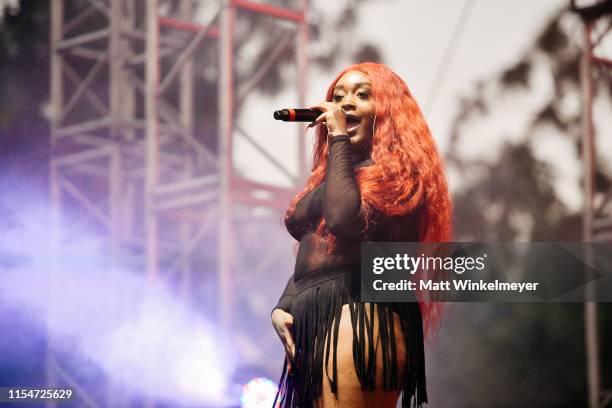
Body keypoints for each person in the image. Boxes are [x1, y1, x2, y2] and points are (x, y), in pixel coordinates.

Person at [271, 62, 452, 408]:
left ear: (386, 111)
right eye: (338, 97)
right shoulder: (336, 178)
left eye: (362, 95)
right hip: (316, 318)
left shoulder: (400, 177)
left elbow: (342, 221)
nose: (346, 104)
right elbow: (318, 245)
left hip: (361, 315)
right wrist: (285, 305)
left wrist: (338, 137)